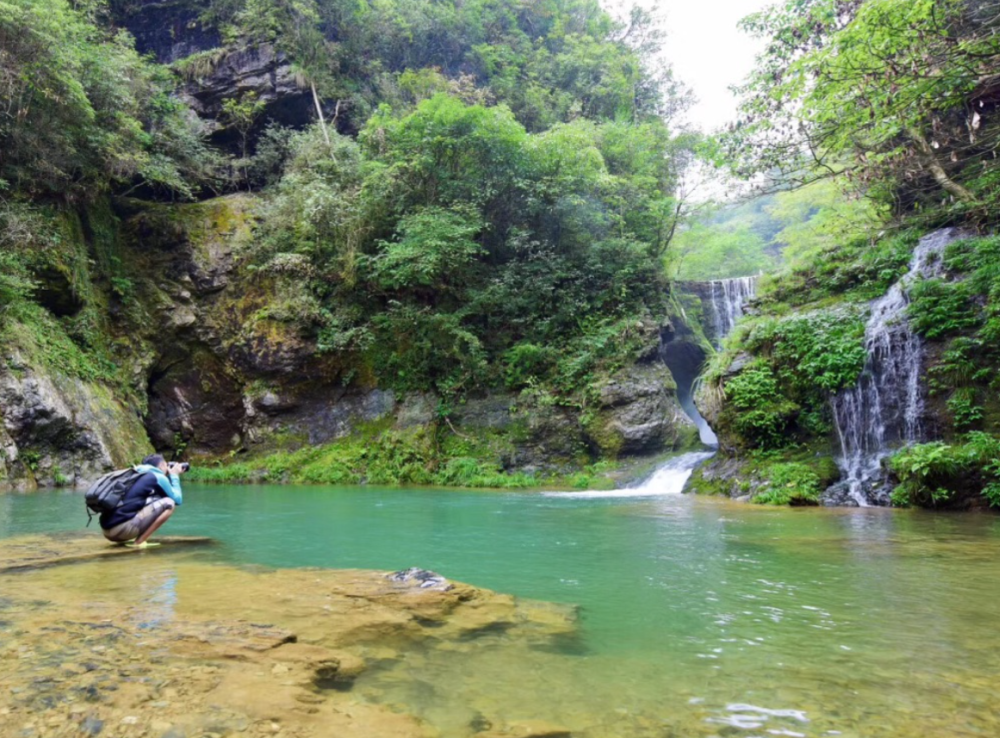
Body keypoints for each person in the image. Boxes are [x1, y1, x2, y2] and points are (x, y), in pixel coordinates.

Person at [100, 454, 187, 548]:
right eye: (166, 465)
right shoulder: (157, 476)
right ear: (161, 465)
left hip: (107, 531)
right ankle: (139, 542)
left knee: (155, 500)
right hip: (122, 531)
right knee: (170, 503)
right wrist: (174, 475)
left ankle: (132, 536)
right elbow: (178, 500)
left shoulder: (135, 474)